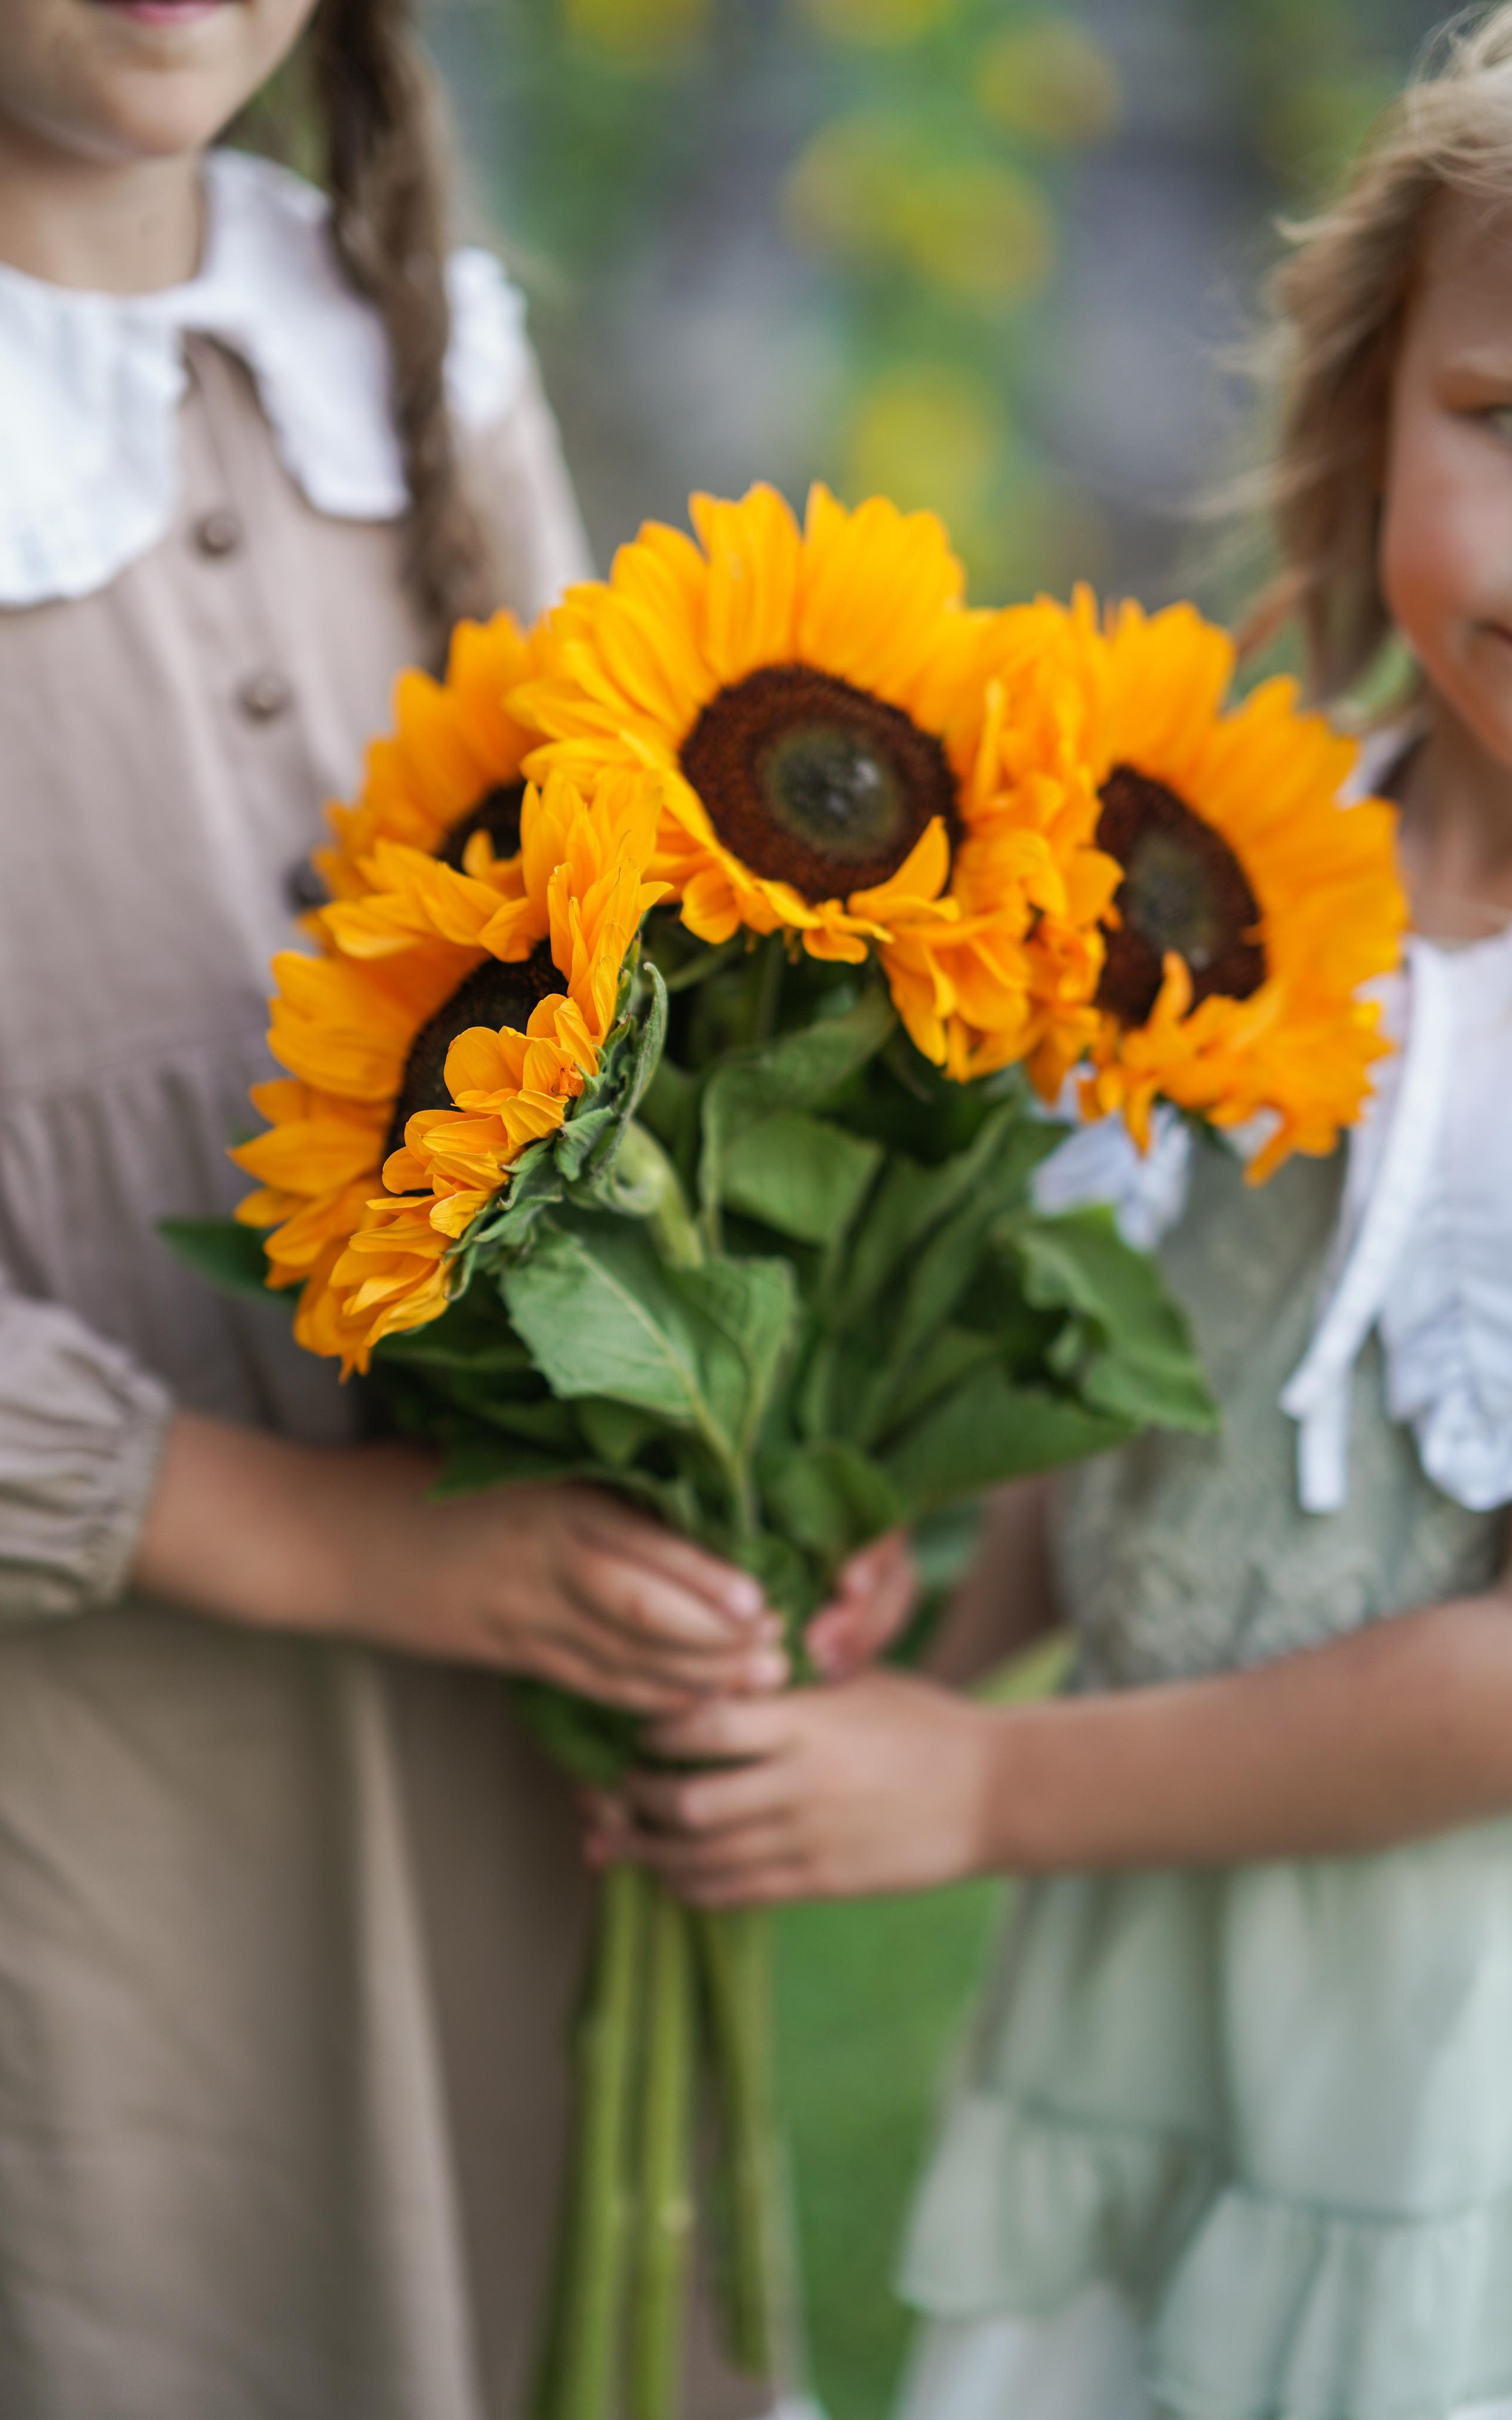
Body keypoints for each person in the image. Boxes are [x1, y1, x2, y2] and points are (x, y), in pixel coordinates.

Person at [0, 4, 915, 2414]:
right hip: (48, 1767)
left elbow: (643, 978)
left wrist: (770, 1456)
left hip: (511, 1708)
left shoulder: (406, 340)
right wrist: (332, 1544)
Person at [590, 13, 1512, 2417]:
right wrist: (918, 1596)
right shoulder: (1236, 848)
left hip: (1446, 2057)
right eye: (1503, 424)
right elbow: (1144, 1371)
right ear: (1364, 407)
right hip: (1158, 1962)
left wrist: (982, 1788)